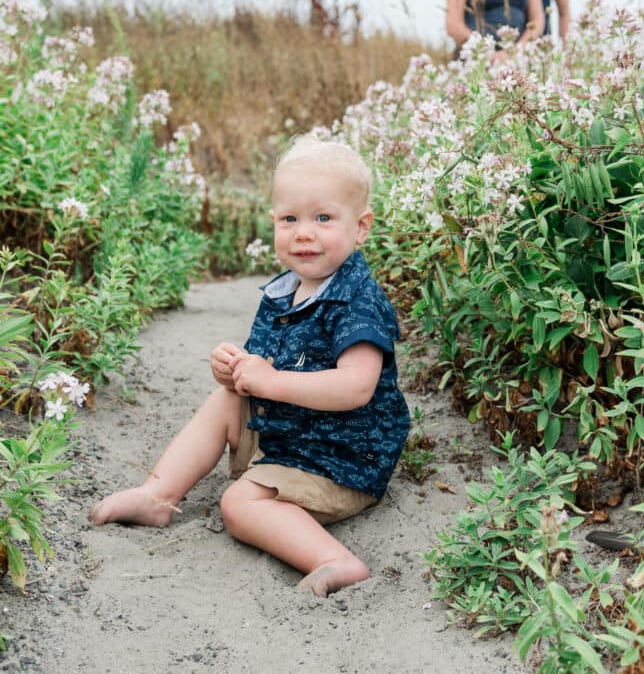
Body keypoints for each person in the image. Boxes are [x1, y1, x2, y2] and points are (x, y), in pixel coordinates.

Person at [90, 136, 410, 598]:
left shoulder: (358, 301)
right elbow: (262, 370)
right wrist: (237, 370)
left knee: (238, 503)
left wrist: (273, 380)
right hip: (292, 436)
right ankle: (158, 494)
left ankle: (334, 560)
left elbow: (356, 387)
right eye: (290, 219)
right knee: (225, 400)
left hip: (343, 461)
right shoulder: (284, 290)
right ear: (274, 222)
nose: (304, 232)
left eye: (323, 218)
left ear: (360, 227)